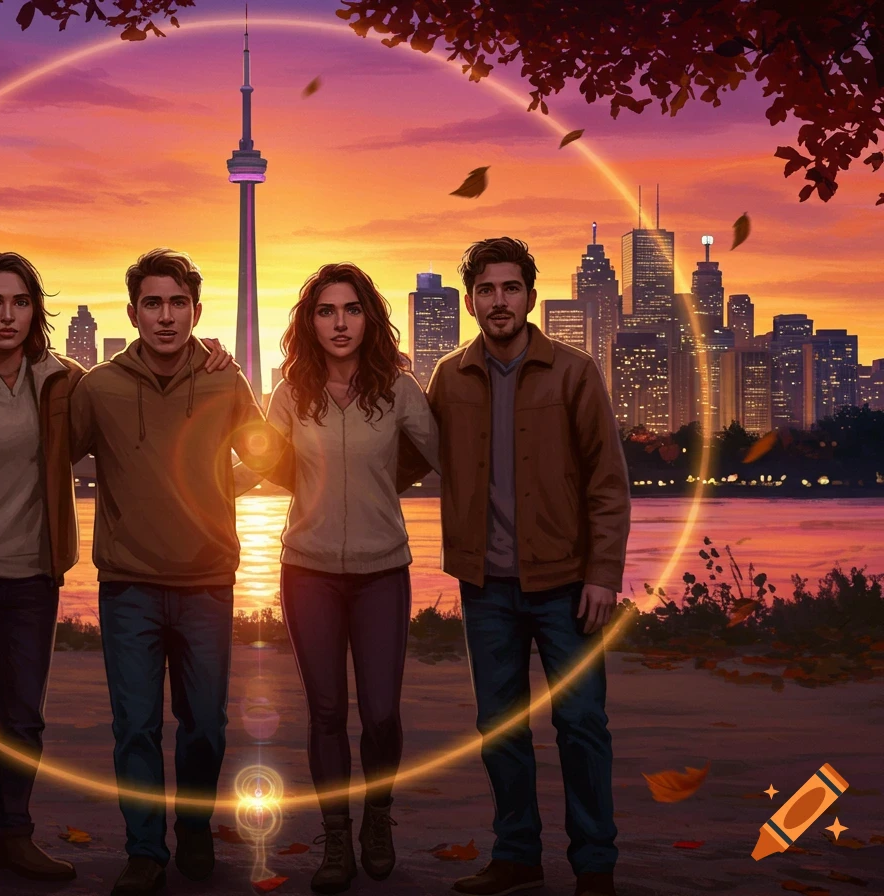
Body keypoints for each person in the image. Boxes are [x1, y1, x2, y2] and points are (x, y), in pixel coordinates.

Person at [0, 251, 236, 896]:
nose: (7, 315)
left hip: (34, 580)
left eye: (19, 302)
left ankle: (12, 837)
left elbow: (167, 433)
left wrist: (216, 363)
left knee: (22, 723)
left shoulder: (63, 382)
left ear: (36, 311)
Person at [409, 238, 630, 896]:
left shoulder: (573, 371)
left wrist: (603, 573)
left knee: (583, 724)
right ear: (470, 299)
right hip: (487, 589)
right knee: (499, 728)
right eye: (486, 290)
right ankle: (517, 855)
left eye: (510, 288)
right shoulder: (449, 376)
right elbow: (410, 451)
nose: (498, 301)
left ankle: (594, 864)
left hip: (567, 585)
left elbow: (608, 484)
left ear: (530, 296)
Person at [70, 248, 291, 896]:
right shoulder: (100, 387)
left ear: (196, 311)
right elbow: (57, 454)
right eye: (153, 303)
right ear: (134, 311)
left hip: (205, 583)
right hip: (129, 586)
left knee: (204, 724)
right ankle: (145, 851)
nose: (166, 316)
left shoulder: (226, 381)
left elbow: (266, 452)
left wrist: (219, 491)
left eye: (178, 304)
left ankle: (193, 827)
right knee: (134, 726)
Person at [238, 263, 439, 894]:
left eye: (351, 310)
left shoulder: (399, 388)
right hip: (309, 571)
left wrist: (378, 491)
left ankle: (376, 818)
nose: (340, 323)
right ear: (310, 323)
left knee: (380, 713)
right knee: (326, 711)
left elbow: (435, 453)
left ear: (369, 318)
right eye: (326, 311)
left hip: (383, 571)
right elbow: (273, 462)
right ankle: (336, 837)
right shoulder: (291, 394)